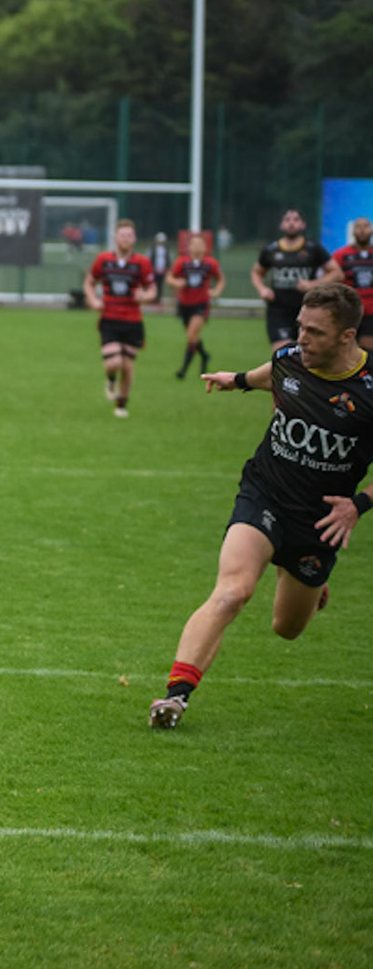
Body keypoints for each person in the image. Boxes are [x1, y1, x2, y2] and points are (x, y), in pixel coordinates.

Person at [149, 283, 373, 729]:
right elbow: (272, 372)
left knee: (286, 628)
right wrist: (235, 381)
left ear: (347, 337)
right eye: (299, 328)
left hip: (319, 520)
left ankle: (306, 581)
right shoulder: (292, 358)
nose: (301, 339)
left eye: (315, 332)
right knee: (233, 591)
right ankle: (175, 696)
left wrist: (357, 505)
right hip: (264, 492)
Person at [83, 218, 157, 419]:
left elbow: (152, 289)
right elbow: (89, 282)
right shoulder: (103, 260)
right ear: (115, 237)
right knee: (113, 363)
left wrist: (145, 296)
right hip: (109, 319)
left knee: (128, 365)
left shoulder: (142, 262)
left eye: (130, 235)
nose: (126, 239)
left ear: (134, 239)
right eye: (122, 235)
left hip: (133, 321)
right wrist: (93, 300)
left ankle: (121, 403)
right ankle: (110, 379)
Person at [250, 208, 331, 350]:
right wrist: (262, 289)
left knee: (308, 353)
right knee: (283, 353)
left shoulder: (313, 248)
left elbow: (336, 273)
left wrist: (314, 284)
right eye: (287, 220)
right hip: (278, 309)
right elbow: (256, 272)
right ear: (281, 225)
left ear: (303, 224)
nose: (291, 223)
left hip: (307, 308)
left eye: (296, 220)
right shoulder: (271, 250)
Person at [167, 232, 224, 379]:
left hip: (201, 304)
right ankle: (205, 356)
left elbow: (220, 279)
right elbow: (170, 277)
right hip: (184, 305)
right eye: (194, 244)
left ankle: (183, 370)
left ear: (205, 247)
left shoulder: (210, 263)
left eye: (200, 244)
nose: (197, 247)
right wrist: (176, 283)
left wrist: (216, 291)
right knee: (192, 337)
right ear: (189, 247)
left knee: (192, 335)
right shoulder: (182, 262)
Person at [320, 216, 373, 351]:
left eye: (365, 226)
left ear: (371, 230)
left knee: (368, 348)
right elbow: (332, 277)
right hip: (350, 309)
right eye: (358, 227)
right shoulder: (341, 255)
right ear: (353, 231)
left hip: (371, 312)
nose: (362, 230)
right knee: (346, 348)